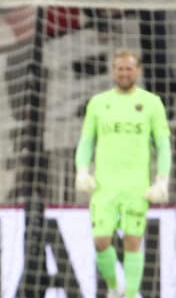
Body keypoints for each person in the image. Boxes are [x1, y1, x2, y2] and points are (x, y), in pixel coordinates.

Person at [74, 48, 172, 298]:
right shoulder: (98, 103)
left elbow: (162, 145)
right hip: (104, 187)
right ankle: (113, 286)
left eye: (129, 68)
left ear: (137, 70)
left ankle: (129, 295)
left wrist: (162, 180)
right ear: (113, 70)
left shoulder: (152, 103)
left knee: (132, 242)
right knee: (101, 241)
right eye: (120, 68)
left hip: (137, 187)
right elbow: (86, 142)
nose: (124, 73)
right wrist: (82, 171)